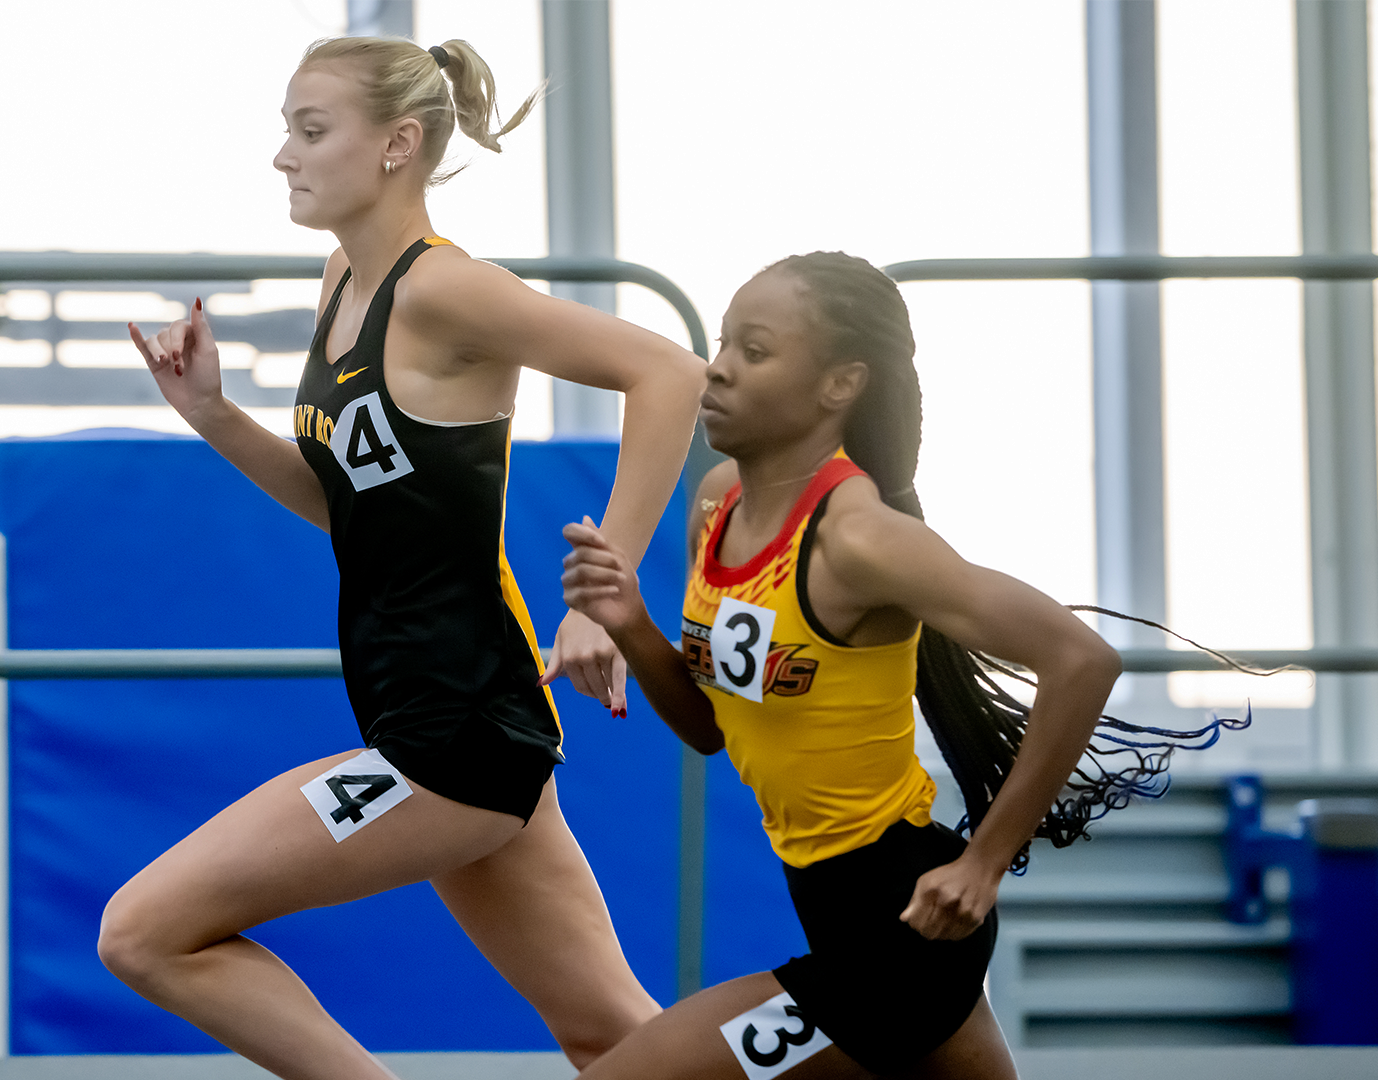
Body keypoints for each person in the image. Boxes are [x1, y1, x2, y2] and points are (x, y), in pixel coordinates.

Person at [103, 36, 705, 1079]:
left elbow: (669, 373)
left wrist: (607, 593)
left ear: (399, 143)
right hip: (446, 714)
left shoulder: (445, 292)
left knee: (145, 931)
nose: (282, 156)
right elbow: (351, 509)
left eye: (309, 130)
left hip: (452, 736)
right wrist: (210, 415)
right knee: (611, 1037)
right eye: (286, 129)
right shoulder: (345, 282)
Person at [558, 252, 1242, 1079]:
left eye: (757, 351)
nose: (720, 369)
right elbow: (711, 729)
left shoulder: (860, 540)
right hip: (834, 909)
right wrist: (630, 620)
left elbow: (1081, 658)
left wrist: (983, 864)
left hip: (901, 931)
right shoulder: (719, 502)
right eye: (724, 342)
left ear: (840, 385)